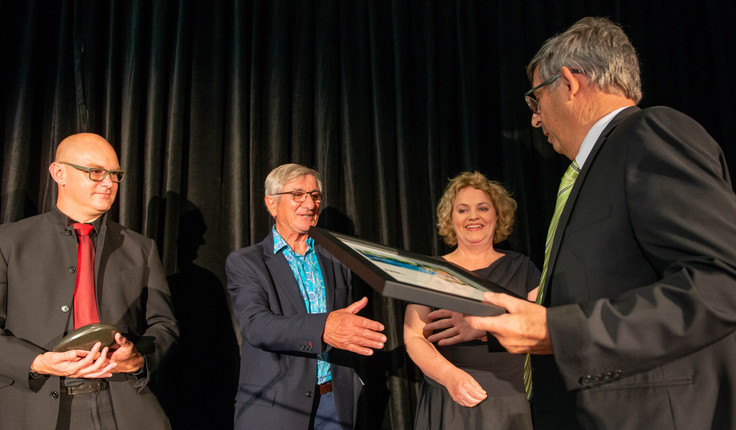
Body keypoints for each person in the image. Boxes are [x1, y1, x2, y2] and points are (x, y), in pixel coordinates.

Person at [465, 17, 736, 429]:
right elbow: (609, 287)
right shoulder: (592, 167)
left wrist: (561, 331)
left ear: (570, 83)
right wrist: (499, 321)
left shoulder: (651, 132)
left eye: (536, 100)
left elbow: (722, 283)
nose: (536, 120)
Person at [0, 132, 179, 429]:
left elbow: (165, 325)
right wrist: (38, 362)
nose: (108, 183)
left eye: (114, 174)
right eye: (96, 172)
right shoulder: (9, 242)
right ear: (59, 173)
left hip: (121, 402)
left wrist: (137, 359)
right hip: (37, 404)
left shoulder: (140, 248)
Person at [226, 163, 386, 430]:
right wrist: (324, 328)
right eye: (298, 195)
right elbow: (256, 325)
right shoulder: (246, 262)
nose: (309, 204)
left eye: (315, 196)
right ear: (272, 204)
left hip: (335, 402)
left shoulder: (337, 257)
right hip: (276, 405)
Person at [404, 172, 538, 429]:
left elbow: (542, 327)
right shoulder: (430, 271)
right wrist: (449, 377)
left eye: (482, 208)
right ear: (450, 219)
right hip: (448, 398)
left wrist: (485, 328)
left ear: (497, 214)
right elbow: (414, 338)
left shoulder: (523, 267)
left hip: (510, 398)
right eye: (462, 209)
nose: (473, 216)